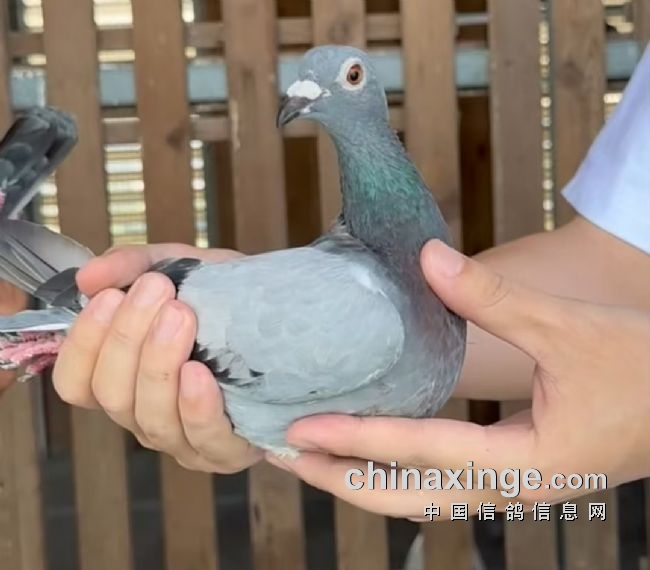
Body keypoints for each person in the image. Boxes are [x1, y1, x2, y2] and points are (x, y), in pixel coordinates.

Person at [2, 47, 649, 518]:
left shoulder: (356, 305)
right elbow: (619, 265)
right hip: (234, 316)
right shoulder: (352, 303)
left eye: (352, 77)